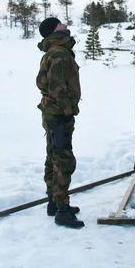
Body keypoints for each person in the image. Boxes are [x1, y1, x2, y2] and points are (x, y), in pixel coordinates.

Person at [36, 16, 84, 229]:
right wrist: (67, 110)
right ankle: (62, 210)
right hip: (58, 115)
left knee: (53, 157)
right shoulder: (58, 52)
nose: (65, 25)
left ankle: (53, 203)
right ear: (55, 30)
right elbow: (57, 86)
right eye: (61, 24)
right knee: (63, 160)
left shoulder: (55, 51)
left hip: (52, 112)